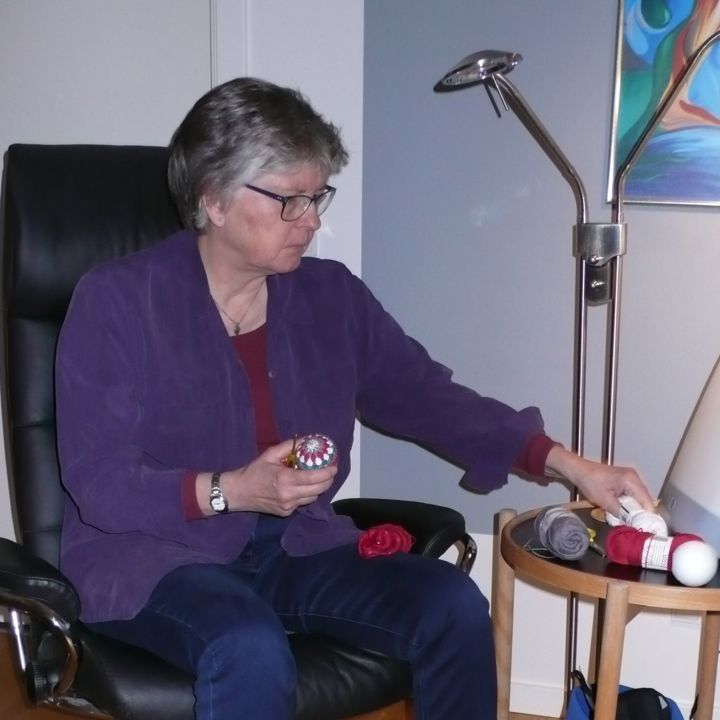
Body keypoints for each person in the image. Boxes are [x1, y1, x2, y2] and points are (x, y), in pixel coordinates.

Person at [55, 77, 655, 720]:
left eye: (317, 197)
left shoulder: (330, 298)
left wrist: (569, 465)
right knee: (248, 645)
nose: (312, 220)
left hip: (295, 545)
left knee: (451, 605)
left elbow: (427, 397)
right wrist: (232, 491)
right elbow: (102, 484)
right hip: (151, 556)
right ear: (214, 199)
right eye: (290, 200)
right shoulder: (117, 301)